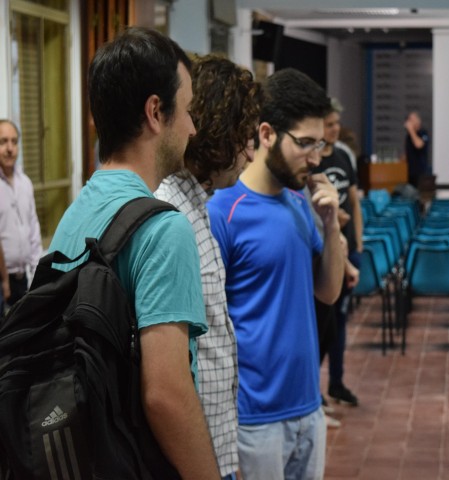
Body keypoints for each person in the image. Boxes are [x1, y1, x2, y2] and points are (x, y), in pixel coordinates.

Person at [47, 27, 221, 480]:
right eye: (187, 110)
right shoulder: (164, 229)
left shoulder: (75, 213)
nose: (193, 128)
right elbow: (166, 394)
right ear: (155, 112)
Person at [207, 68, 344, 480]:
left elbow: (329, 292)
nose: (316, 158)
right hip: (254, 419)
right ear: (266, 134)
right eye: (304, 143)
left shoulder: (299, 202)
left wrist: (331, 225)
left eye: (320, 144)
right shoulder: (222, 211)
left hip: (308, 407)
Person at [155, 53, 263, 480]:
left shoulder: (197, 206)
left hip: (214, 450)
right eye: (245, 138)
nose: (250, 154)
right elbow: (166, 384)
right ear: (220, 133)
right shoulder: (171, 213)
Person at [313, 98, 363, 407]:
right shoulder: (312, 160)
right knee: (323, 325)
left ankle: (337, 382)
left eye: (336, 124)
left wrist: (359, 242)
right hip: (325, 251)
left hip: (348, 247)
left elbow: (354, 202)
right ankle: (313, 388)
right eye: (328, 124)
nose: (334, 129)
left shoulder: (344, 156)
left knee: (340, 322)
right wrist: (332, 220)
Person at [0, 119, 43, 311]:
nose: (10, 148)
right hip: (2, 280)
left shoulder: (25, 183)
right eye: (3, 142)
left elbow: (33, 229)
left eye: (14, 142)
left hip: (23, 278)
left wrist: (37, 274)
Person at [404, 111, 430, 187]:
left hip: (420, 174)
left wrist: (411, 130)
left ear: (418, 120)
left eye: (412, 120)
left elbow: (418, 145)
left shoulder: (423, 133)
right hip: (410, 173)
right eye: (409, 120)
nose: (409, 122)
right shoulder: (409, 136)